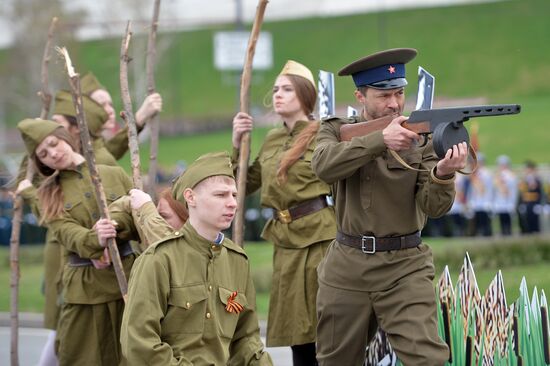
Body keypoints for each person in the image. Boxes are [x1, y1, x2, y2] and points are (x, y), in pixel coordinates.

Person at [311, 48, 468, 365]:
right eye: (383, 95)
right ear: (360, 96)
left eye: (399, 93)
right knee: (335, 361)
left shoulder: (422, 137)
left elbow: (433, 207)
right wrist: (380, 140)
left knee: (428, 359)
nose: (394, 103)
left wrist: (444, 173)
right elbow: (323, 166)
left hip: (404, 266)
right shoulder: (333, 129)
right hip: (347, 267)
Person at [118, 152, 272, 365]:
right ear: (191, 197)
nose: (232, 204)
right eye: (220, 195)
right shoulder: (158, 260)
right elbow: (139, 343)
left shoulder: (237, 261)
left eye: (234, 195)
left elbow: (245, 339)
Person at [232, 60, 337, 364]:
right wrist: (238, 144)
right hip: (284, 241)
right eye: (276, 89)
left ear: (305, 96)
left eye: (287, 89)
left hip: (319, 239)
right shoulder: (271, 139)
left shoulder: (323, 135)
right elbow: (244, 183)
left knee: (322, 329)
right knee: (294, 331)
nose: (277, 95)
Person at [16, 118, 135, 365]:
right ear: (41, 163)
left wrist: (115, 224)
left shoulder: (114, 174)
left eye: (53, 143)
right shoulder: (49, 194)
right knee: (80, 356)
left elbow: (139, 218)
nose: (53, 153)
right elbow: (66, 232)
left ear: (66, 137)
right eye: (44, 154)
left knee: (132, 356)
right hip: (84, 291)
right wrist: (94, 239)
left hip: (129, 279)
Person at [466, 152, 493, 236]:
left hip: (485, 200)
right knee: (477, 222)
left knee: (485, 222)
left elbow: (483, 188)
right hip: (476, 201)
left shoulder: (485, 173)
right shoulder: (475, 173)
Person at [493, 154, 518, 236]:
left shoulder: (511, 175)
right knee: (502, 221)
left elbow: (513, 190)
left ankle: (508, 235)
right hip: (500, 202)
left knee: (508, 222)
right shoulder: (497, 175)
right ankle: (504, 234)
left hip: (508, 201)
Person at [518, 160, 544, 234]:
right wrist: (522, 203)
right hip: (526, 203)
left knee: (535, 221)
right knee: (526, 221)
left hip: (534, 202)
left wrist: (539, 203)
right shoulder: (524, 180)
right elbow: (522, 192)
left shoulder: (537, 179)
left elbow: (539, 192)